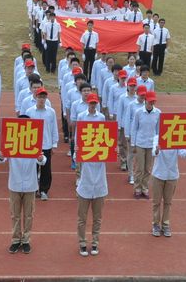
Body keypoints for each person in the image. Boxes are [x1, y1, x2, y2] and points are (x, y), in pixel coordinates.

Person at [0, 115, 47, 254]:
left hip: (30, 185)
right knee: (15, 214)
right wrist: (0, 155)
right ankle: (15, 240)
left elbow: (42, 160)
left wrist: (41, 158)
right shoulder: (11, 141)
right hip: (15, 184)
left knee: (29, 215)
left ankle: (26, 240)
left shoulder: (33, 141)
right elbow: (0, 159)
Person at [76, 93, 108, 257]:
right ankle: (82, 243)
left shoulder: (101, 117)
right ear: (87, 103)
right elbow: (78, 137)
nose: (93, 105)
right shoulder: (82, 116)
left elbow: (106, 138)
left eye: (95, 103)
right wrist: (78, 149)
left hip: (100, 185)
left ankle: (95, 242)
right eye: (91, 103)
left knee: (97, 218)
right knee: (82, 217)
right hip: (86, 184)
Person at [150, 136, 186, 237]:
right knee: (156, 202)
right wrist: (157, 149)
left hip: (172, 175)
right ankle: (156, 224)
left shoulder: (176, 137)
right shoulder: (157, 138)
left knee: (168, 202)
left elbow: (183, 153)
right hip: (158, 175)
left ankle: (165, 224)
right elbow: (153, 152)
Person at [25, 87, 59, 201]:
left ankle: (44, 190)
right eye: (40, 97)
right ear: (36, 97)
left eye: (44, 97)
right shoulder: (29, 111)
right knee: (32, 168)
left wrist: (54, 144)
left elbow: (54, 128)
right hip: (33, 145)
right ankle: (33, 189)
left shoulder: (51, 112)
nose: (42, 99)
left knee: (46, 169)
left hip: (46, 144)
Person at [130, 91, 161, 199]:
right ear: (145, 100)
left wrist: (157, 143)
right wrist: (133, 143)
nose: (151, 102)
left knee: (148, 168)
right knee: (139, 168)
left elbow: (158, 130)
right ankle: (137, 188)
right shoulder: (139, 112)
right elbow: (134, 128)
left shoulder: (158, 112)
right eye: (150, 100)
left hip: (151, 144)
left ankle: (145, 187)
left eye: (153, 101)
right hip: (140, 142)